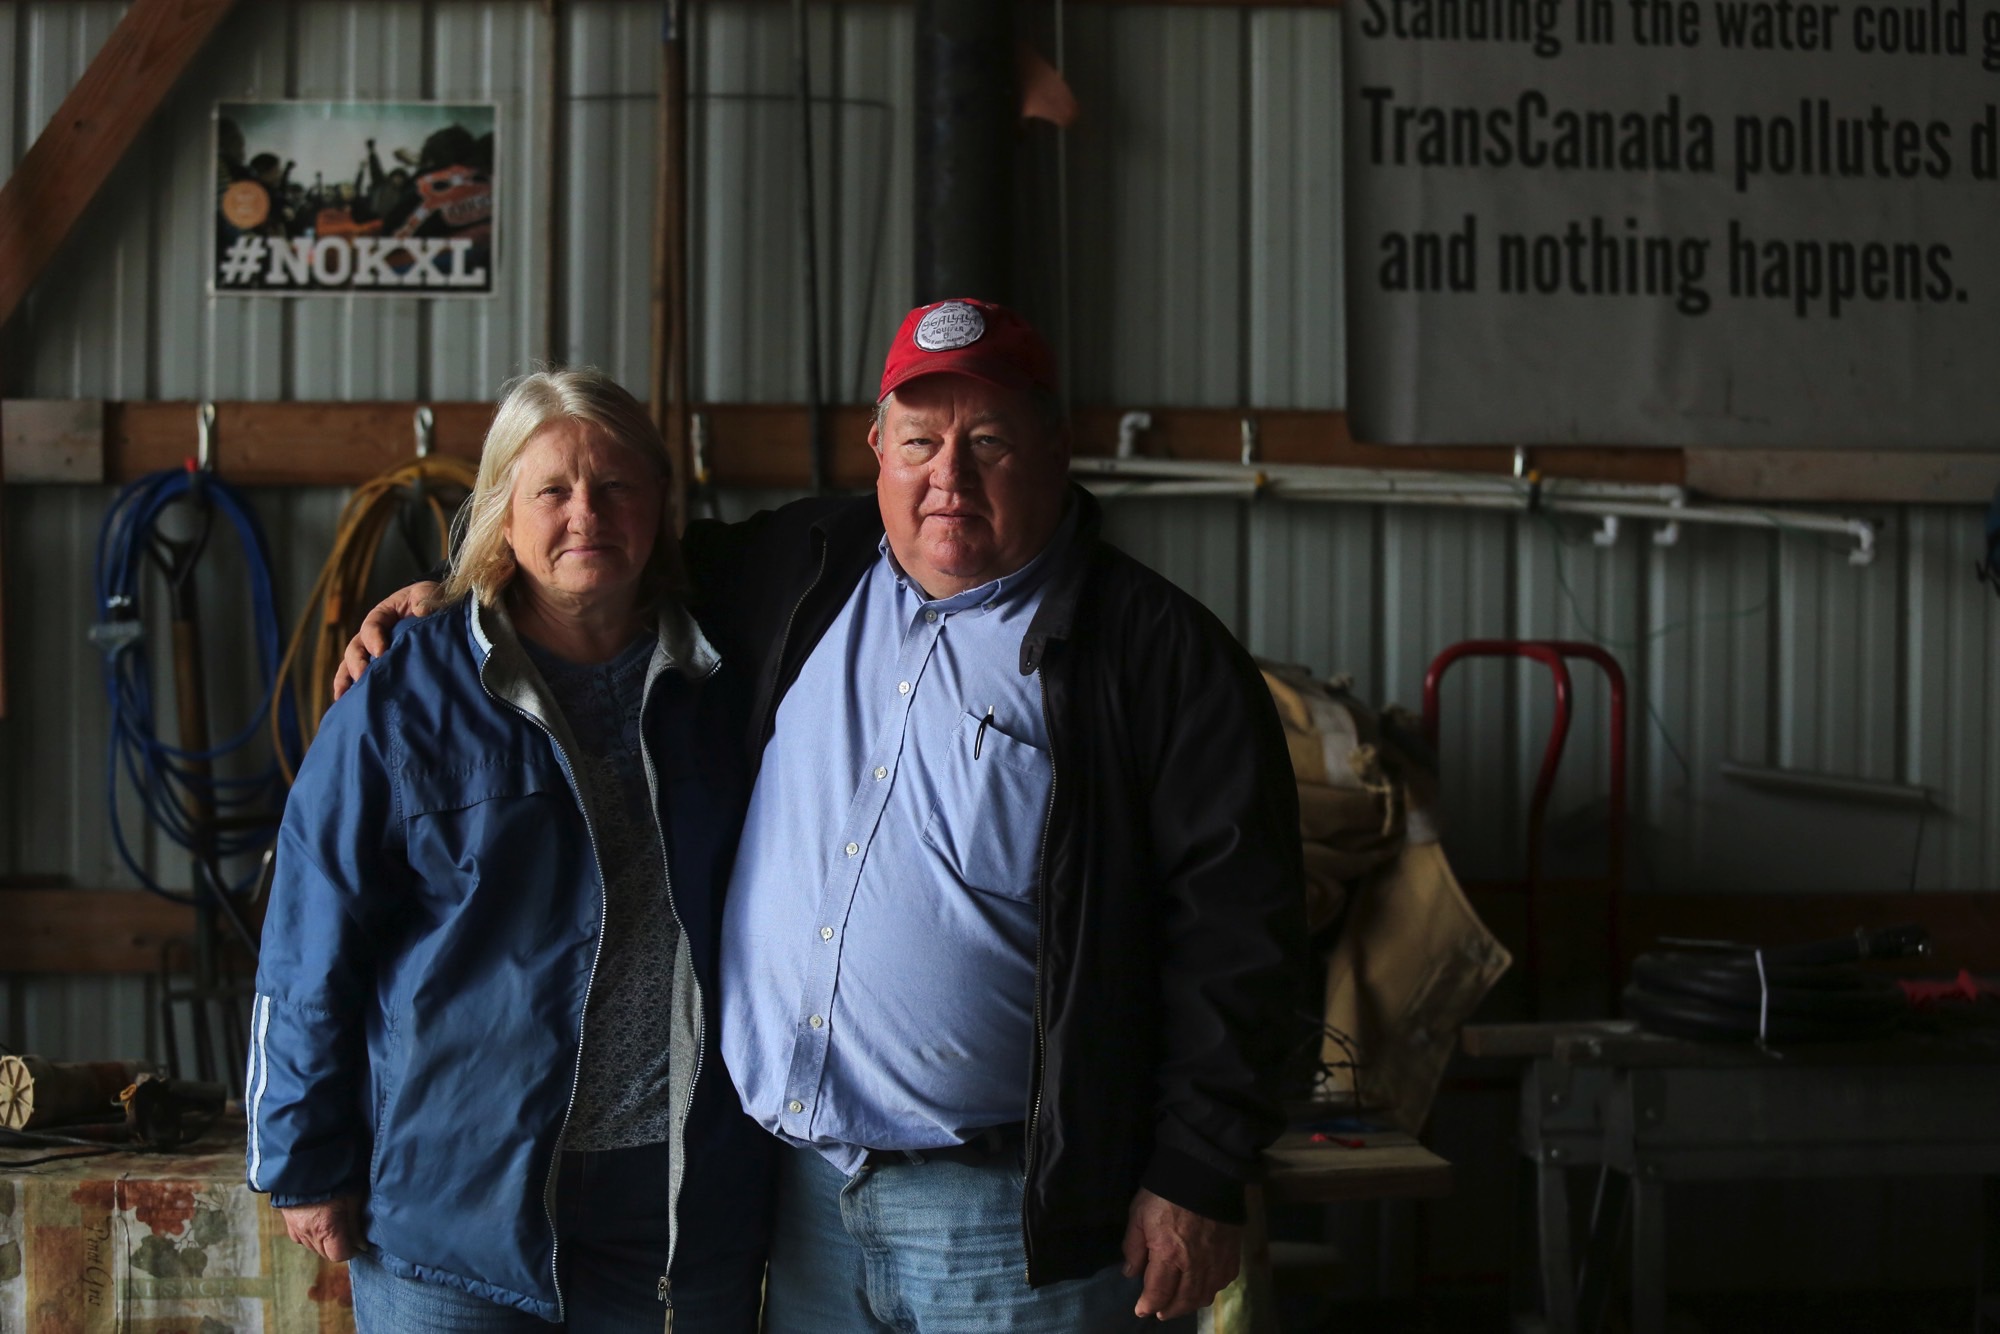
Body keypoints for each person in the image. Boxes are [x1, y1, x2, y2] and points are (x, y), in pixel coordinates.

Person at [338, 300, 1306, 1331]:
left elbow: (1240, 935)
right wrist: (452, 596)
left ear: (1058, 449)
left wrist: (1197, 1171)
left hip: (1004, 1215)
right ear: (876, 448)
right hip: (798, 1199)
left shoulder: (1157, 655)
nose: (950, 477)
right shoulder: (796, 566)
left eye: (988, 443)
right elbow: (592, 552)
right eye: (921, 442)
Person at [251, 369, 772, 1331]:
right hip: (456, 1206)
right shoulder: (406, 692)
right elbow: (309, 930)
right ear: (501, 508)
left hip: (673, 1205)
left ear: (661, 501)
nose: (589, 514)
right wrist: (300, 1156)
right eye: (554, 491)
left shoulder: (726, 674)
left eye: (617, 487)